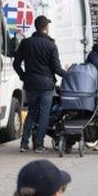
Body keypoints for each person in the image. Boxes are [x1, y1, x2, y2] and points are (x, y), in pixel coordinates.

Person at [13, 15, 67, 153]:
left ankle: (24, 143)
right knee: (44, 115)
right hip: (46, 85)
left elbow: (16, 63)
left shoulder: (26, 43)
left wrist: (23, 76)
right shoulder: (51, 45)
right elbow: (56, 68)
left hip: (30, 84)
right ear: (46, 27)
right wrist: (69, 74)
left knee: (31, 112)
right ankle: (39, 145)